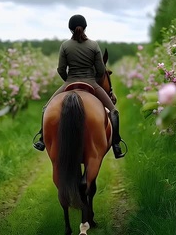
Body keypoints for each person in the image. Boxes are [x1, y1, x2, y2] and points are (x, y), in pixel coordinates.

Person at [32, 14, 125, 159]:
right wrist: (91, 79)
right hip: (92, 83)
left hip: (69, 82)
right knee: (113, 112)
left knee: (46, 108)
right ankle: (116, 145)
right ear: (85, 27)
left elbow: (61, 69)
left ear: (70, 29)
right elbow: (101, 71)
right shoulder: (94, 45)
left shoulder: (65, 46)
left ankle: (42, 140)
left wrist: (68, 80)